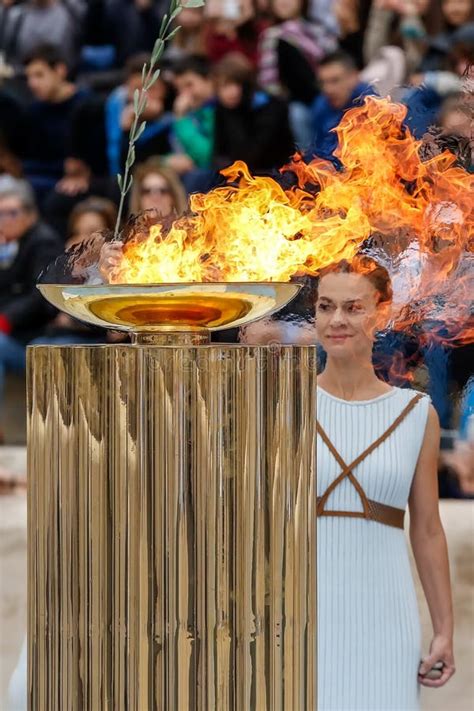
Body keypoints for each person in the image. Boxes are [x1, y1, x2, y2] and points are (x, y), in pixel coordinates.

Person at [314, 254, 456, 709]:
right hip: (303, 617)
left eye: (352, 308)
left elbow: (428, 529)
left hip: (387, 616)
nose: (336, 320)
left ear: (382, 311)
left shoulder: (416, 414)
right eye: (325, 306)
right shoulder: (286, 405)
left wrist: (444, 629)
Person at [0, 177, 62, 426]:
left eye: (12, 213)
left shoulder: (43, 242)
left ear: (30, 214)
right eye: (1, 214)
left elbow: (39, 295)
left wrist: (6, 319)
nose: (5, 220)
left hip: (32, 336)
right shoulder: (10, 242)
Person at [257, 0, 337, 149]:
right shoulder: (272, 35)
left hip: (328, 93)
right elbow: (268, 81)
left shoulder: (317, 29)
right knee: (297, 114)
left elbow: (335, 60)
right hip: (297, 103)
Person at [20, 44, 90, 206]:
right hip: (47, 179)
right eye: (29, 77)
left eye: (39, 75)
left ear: (60, 71)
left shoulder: (86, 105)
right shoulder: (33, 111)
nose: (32, 83)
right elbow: (28, 160)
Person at [211, 53, 295, 172]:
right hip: (239, 174)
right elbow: (219, 152)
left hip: (275, 173)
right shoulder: (222, 109)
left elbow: (257, 153)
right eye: (222, 87)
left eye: (232, 84)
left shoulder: (270, 106)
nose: (227, 92)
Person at [309, 50, 375, 161]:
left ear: (354, 77)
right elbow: (317, 148)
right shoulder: (320, 104)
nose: (327, 89)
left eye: (335, 81)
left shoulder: (370, 104)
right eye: (322, 82)